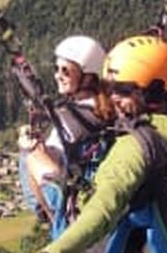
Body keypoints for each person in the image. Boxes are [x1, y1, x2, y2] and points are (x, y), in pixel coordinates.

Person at [0, 0, 167, 253]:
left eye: (120, 89)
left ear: (147, 92)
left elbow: (104, 207)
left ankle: (49, 215)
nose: (112, 96)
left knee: (32, 158)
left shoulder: (136, 149)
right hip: (164, 230)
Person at [17, 35, 115, 241]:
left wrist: (29, 147)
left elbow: (50, 165)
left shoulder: (71, 119)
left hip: (68, 202)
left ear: (87, 77)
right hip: (91, 185)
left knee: (30, 155)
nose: (57, 76)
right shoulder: (108, 107)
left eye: (65, 71)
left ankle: (52, 217)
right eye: (56, 68)